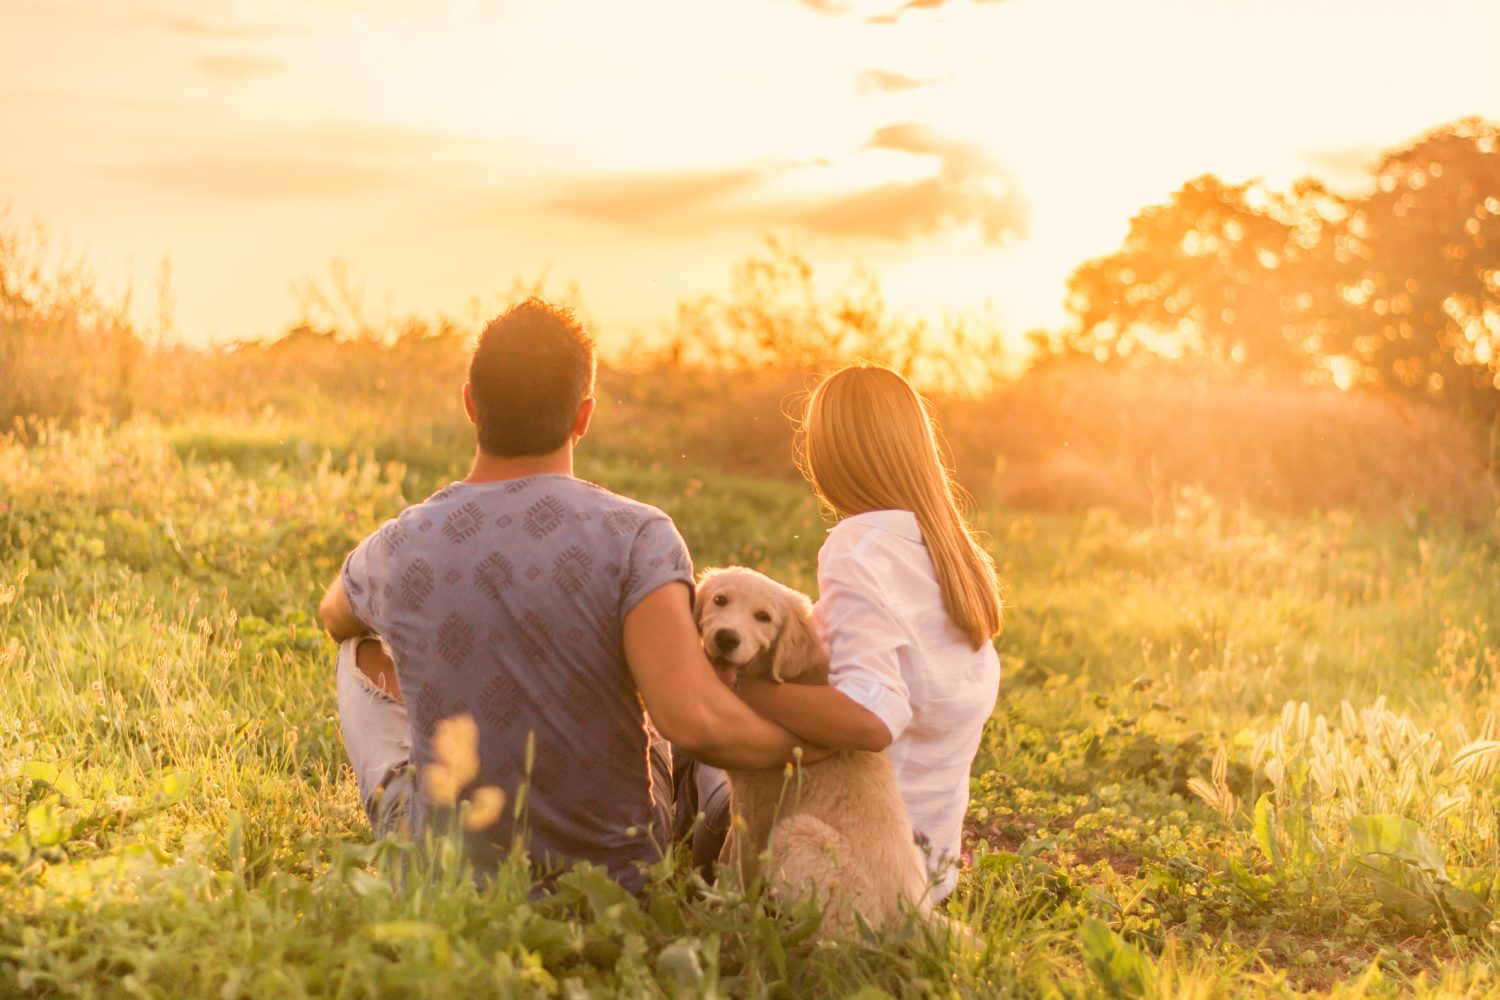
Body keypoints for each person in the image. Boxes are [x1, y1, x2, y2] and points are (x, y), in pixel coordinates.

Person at [317, 298, 802, 893]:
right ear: (584, 415)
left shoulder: (401, 542)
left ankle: (429, 820)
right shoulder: (639, 535)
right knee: (660, 661)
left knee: (358, 644)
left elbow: (332, 613)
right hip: (616, 875)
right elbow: (691, 719)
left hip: (453, 876)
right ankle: (717, 805)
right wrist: (807, 751)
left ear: (471, 404)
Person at [737, 363, 1003, 900]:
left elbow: (871, 717)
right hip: (930, 875)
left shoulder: (858, 546)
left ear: (825, 456)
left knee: (705, 767)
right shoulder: (954, 554)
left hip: (862, 868)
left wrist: (747, 689)